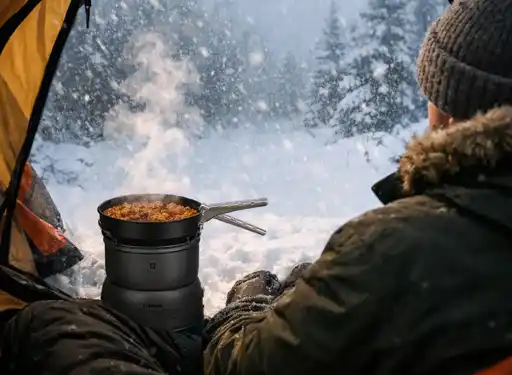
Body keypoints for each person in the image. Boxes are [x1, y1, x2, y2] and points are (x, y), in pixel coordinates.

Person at [202, 1, 512, 374]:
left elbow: (242, 366)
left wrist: (242, 307)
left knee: (112, 333)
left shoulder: (393, 250)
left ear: (446, 105)